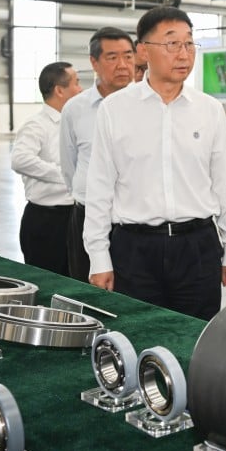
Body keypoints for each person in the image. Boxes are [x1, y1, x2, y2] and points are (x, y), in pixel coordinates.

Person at [83, 6, 226, 320]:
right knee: (136, 337)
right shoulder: (116, 109)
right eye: (172, 44)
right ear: (143, 50)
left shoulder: (209, 110)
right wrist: (99, 257)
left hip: (197, 246)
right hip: (134, 249)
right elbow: (99, 187)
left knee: (196, 337)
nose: (184, 54)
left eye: (189, 43)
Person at [59, 27, 135, 280]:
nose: (123, 65)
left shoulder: (148, 106)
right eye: (112, 57)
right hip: (87, 214)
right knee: (89, 291)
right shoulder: (75, 108)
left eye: (128, 56)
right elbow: (69, 164)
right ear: (94, 62)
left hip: (134, 221)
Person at [11, 61, 82, 275]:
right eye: (76, 83)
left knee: (77, 280)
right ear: (60, 90)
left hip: (75, 216)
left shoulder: (74, 122)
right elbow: (20, 159)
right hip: (47, 221)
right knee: (47, 281)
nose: (81, 89)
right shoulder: (37, 125)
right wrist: (66, 175)